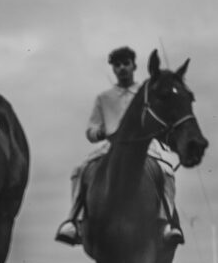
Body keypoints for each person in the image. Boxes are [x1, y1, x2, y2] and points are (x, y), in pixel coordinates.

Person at [55, 45, 184, 246]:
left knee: (166, 171)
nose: (122, 68)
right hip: (111, 147)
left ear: (134, 66)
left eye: (126, 63)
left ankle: (166, 224)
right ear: (113, 69)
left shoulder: (146, 93)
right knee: (79, 170)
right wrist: (101, 132)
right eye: (117, 65)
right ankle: (74, 221)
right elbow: (92, 128)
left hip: (145, 147)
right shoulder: (104, 98)